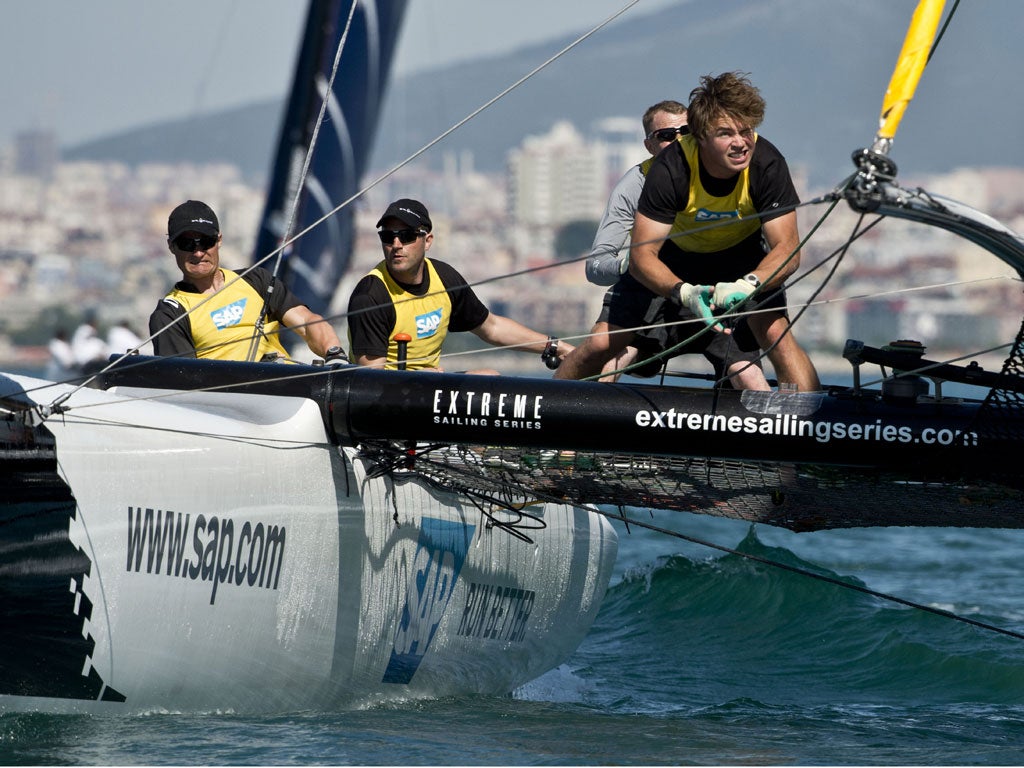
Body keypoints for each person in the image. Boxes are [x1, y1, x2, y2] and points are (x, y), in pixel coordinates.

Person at [558, 72, 820, 392]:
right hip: (673, 257)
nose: (740, 142)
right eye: (725, 133)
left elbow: (787, 249)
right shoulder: (670, 169)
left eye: (746, 131)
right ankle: (543, 424)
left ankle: (812, 430)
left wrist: (749, 283)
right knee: (602, 345)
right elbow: (642, 256)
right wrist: (683, 292)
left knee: (774, 335)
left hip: (741, 258)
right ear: (702, 137)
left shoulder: (767, 164)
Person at [584, 99, 768, 389]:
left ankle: (774, 428)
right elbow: (594, 266)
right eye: (667, 136)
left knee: (749, 375)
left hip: (714, 291)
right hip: (654, 293)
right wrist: (634, 265)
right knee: (610, 357)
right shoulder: (635, 183)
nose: (679, 140)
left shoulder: (728, 172)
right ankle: (583, 420)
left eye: (687, 132)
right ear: (650, 146)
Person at [347, 198, 573, 372]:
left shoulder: (444, 278)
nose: (396, 245)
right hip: (385, 402)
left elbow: (491, 327)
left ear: (428, 241)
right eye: (388, 237)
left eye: (406, 236)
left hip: (428, 387)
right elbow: (371, 379)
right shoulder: (370, 295)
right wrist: (418, 380)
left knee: (489, 378)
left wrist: (554, 346)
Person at [149, 200, 345, 363]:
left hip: (287, 389)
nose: (198, 252)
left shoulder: (256, 280)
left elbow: (306, 321)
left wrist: (334, 353)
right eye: (187, 244)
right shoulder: (169, 314)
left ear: (219, 240)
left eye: (206, 242)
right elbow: (184, 382)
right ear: (171, 247)